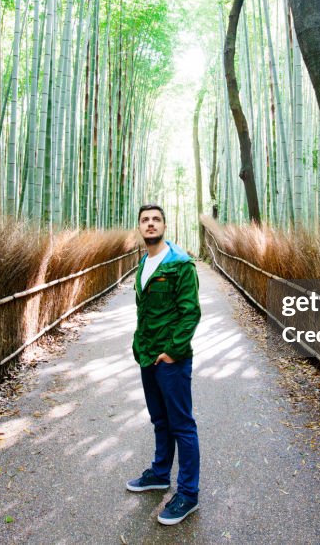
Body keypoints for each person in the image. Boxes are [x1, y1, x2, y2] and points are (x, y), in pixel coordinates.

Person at [126, 203, 201, 525]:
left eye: (156, 219)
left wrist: (172, 351)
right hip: (147, 355)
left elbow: (191, 312)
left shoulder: (180, 264)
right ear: (140, 228)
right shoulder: (144, 262)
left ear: (165, 226)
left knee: (182, 425)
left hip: (170, 359)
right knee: (160, 420)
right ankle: (159, 474)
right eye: (145, 220)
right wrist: (140, 346)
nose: (151, 224)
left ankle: (188, 494)